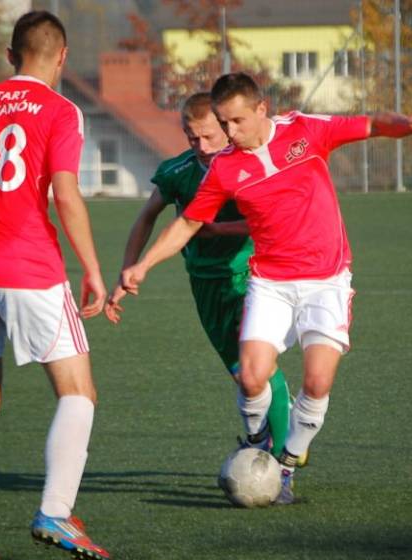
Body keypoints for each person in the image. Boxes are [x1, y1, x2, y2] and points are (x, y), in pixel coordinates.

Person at [112, 72, 412, 505]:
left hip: (326, 279)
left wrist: (410, 126)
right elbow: (188, 223)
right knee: (251, 378)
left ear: (261, 109)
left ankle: (286, 465)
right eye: (223, 123)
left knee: (317, 382)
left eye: (237, 121)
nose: (230, 132)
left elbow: (371, 124)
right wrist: (143, 266)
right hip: (270, 282)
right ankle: (256, 442)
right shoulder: (225, 167)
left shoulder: (304, 130)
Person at [0, 10, 109, 560]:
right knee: (78, 391)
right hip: (30, 266)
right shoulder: (60, 109)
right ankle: (56, 511)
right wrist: (92, 268)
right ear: (62, 57)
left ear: (9, 55)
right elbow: (65, 192)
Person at [105, 92, 294, 458]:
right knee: (241, 373)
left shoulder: (248, 165)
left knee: (258, 367)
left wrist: (218, 230)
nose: (202, 146)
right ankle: (269, 433)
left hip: (251, 275)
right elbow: (146, 217)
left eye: (209, 136)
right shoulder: (178, 172)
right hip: (204, 282)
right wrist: (129, 268)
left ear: (225, 127)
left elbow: (271, 221)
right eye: (193, 138)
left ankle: (284, 454)